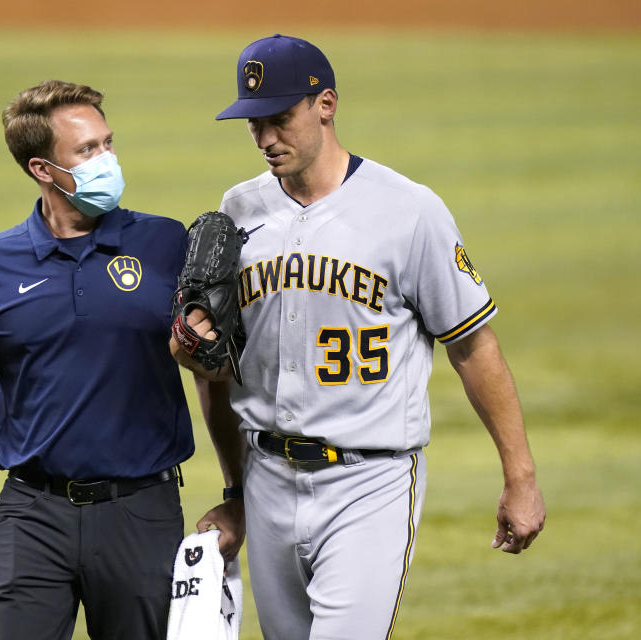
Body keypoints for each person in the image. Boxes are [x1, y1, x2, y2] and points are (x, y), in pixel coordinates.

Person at [170, 35, 546, 639]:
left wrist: (520, 476)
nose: (266, 138)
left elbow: (473, 346)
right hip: (266, 479)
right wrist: (195, 356)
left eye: (280, 118)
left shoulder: (409, 211)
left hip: (369, 482)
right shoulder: (237, 211)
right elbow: (220, 367)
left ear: (326, 105)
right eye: (253, 123)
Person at [0, 79, 243, 640]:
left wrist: (236, 494)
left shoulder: (164, 244)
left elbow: (214, 380)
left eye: (107, 143)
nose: (106, 159)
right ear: (42, 169)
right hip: (32, 515)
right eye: (87, 151)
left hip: (142, 510)